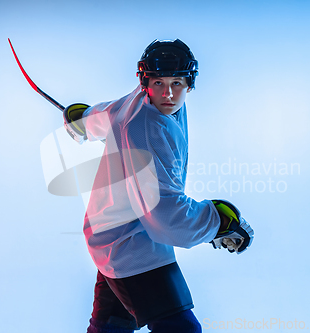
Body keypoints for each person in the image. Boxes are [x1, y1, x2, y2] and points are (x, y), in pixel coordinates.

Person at [63, 39, 254, 333]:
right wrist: (218, 221)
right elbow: (163, 214)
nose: (167, 93)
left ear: (189, 84)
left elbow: (108, 115)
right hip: (133, 246)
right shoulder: (148, 128)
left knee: (110, 326)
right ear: (145, 83)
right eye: (158, 83)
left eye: (176, 82)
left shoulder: (140, 101)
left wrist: (82, 121)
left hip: (112, 235)